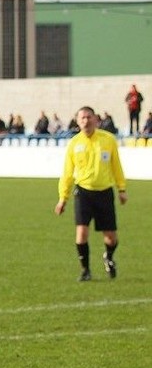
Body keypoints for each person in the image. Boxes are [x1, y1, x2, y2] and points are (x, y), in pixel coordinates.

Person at [54, 106, 127, 282]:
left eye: (89, 117)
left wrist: (121, 189)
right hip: (83, 193)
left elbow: (116, 166)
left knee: (110, 237)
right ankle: (85, 270)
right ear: (78, 121)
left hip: (104, 192)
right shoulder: (74, 143)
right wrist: (63, 198)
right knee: (81, 233)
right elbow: (67, 173)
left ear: (95, 119)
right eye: (82, 118)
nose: (86, 121)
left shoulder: (108, 140)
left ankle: (108, 257)